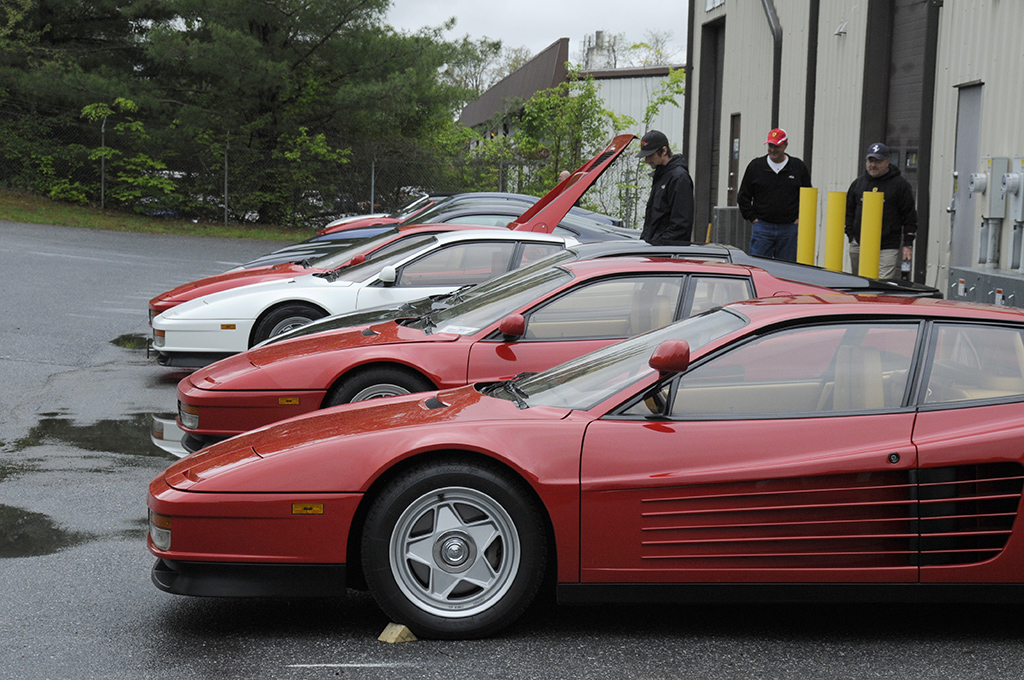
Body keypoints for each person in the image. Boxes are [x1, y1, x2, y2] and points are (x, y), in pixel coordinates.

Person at [737, 128, 812, 261]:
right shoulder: (756, 166)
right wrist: (753, 218)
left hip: (789, 228)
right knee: (758, 266)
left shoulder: (798, 167)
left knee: (786, 269)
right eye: (770, 146)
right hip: (762, 227)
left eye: (777, 146)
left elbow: (808, 197)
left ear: (785, 146)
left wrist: (799, 219)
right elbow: (743, 196)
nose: (773, 150)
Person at [845, 142, 917, 280]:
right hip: (859, 243)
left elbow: (909, 215)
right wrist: (851, 235)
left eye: (878, 161)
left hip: (887, 245)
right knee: (859, 281)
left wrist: (908, 243)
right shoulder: (858, 183)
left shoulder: (900, 185)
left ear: (887, 162)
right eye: (870, 161)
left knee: (882, 283)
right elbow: (849, 210)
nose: (873, 165)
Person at [636, 129, 694, 245]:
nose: (647, 161)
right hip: (655, 249)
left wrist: (659, 247)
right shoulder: (661, 175)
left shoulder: (679, 178)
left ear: (664, 151)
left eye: (650, 155)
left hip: (667, 252)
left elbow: (681, 225)